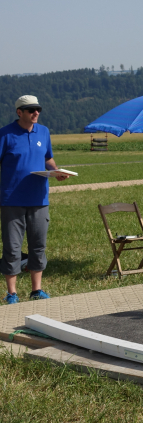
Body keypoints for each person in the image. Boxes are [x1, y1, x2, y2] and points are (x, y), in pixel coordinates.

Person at [0, 95, 69, 304]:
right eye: (31, 110)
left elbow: (48, 157)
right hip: (12, 199)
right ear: (19, 112)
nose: (36, 113)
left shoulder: (44, 132)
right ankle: (11, 293)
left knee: (38, 245)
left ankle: (36, 290)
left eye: (38, 109)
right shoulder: (5, 134)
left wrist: (56, 171)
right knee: (12, 247)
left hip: (39, 199)